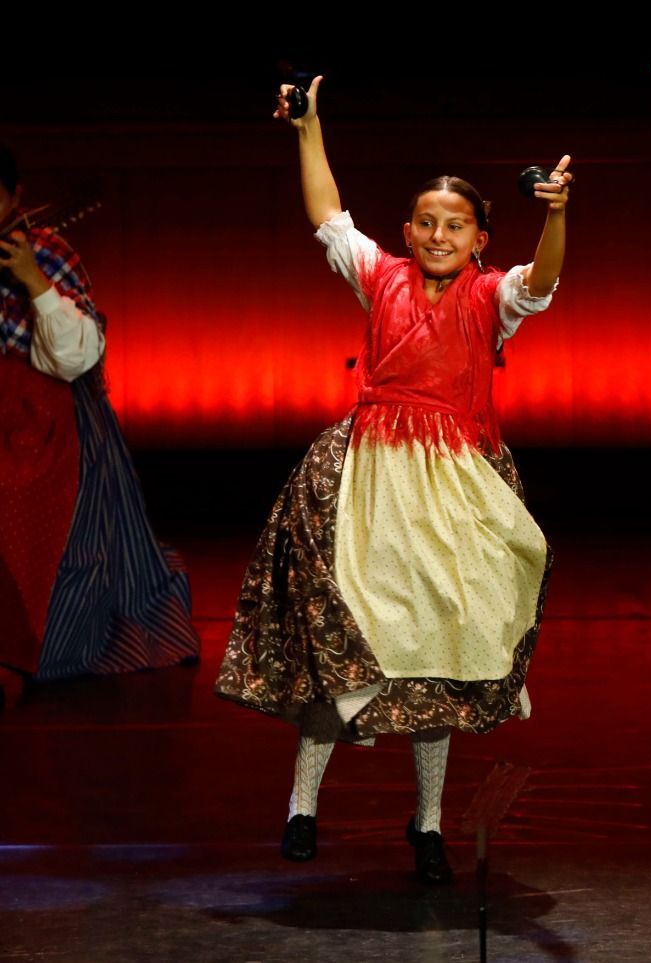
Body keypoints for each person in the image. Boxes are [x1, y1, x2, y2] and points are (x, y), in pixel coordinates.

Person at [214, 78, 570, 883]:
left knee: (437, 652)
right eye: (427, 223)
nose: (440, 235)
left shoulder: (491, 298)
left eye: (457, 225)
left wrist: (555, 213)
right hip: (371, 485)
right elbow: (327, 214)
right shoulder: (381, 277)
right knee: (348, 646)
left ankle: (430, 821)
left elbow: (542, 280)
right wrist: (308, 127)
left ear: (481, 237)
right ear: (408, 230)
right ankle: (303, 805)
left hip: (450, 493)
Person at [0, 144, 198, 710]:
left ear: (14, 197)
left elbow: (75, 358)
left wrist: (32, 282)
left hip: (53, 424)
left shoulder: (48, 254)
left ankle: (38, 647)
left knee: (65, 548)